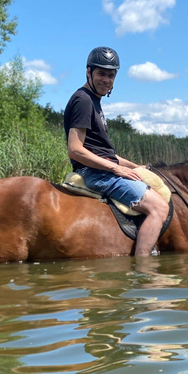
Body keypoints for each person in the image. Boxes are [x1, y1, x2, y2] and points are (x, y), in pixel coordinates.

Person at [64, 46, 170, 256]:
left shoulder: (94, 101)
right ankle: (144, 266)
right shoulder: (83, 100)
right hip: (97, 173)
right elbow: (75, 150)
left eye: (111, 75)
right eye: (101, 73)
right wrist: (116, 169)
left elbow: (104, 153)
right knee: (159, 208)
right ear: (88, 72)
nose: (106, 80)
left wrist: (135, 166)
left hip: (103, 169)